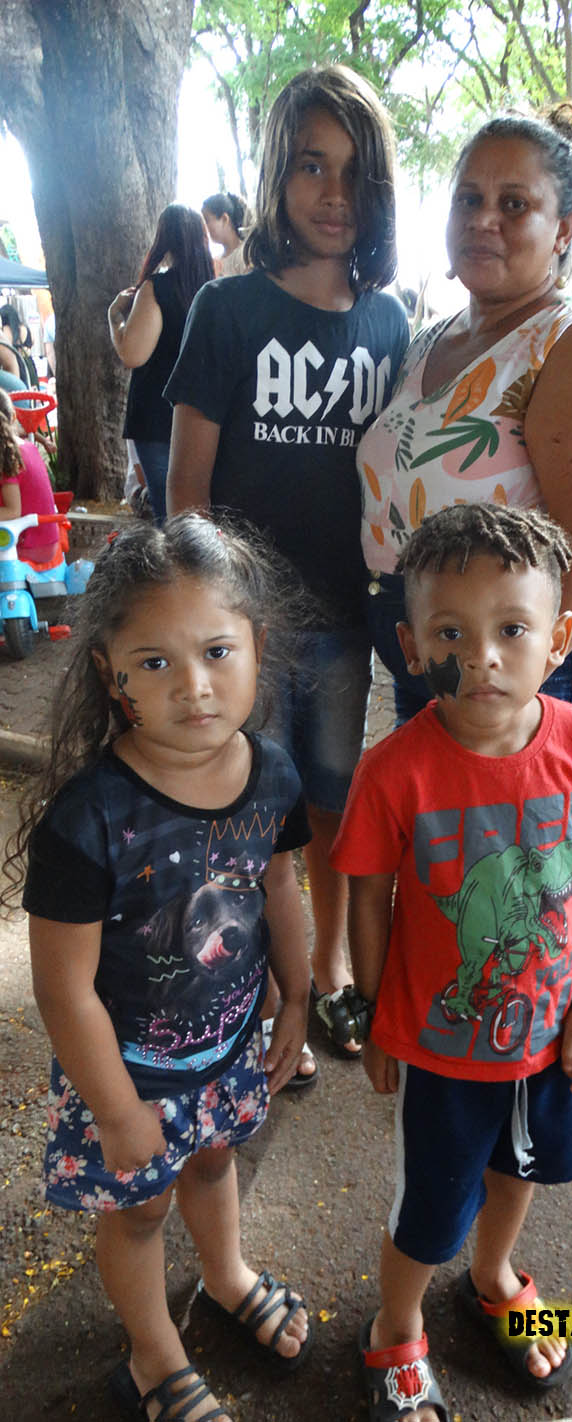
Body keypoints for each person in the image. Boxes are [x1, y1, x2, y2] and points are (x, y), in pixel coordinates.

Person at [1, 515, 313, 1420]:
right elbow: (63, 988)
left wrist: (298, 997)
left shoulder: (274, 775)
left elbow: (280, 888)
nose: (195, 686)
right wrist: (115, 1110)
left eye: (216, 651)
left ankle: (226, 1274)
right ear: (110, 675)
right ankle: (151, 1354)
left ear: (257, 644)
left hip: (228, 1051)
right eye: (154, 662)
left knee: (215, 1166)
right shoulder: (88, 820)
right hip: (128, 1078)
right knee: (139, 1212)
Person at [331, 504, 572, 1421]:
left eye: (512, 629)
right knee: (432, 1204)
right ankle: (395, 1324)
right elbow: (367, 899)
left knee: (520, 1172)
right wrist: (375, 1017)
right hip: (441, 1050)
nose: (484, 657)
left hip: (548, 1036)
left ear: (559, 639)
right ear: (411, 647)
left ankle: (494, 1275)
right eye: (451, 634)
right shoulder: (393, 771)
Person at [166, 65, 410, 1060]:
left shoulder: (389, 322)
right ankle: (270, 990)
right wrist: (214, 624)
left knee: (333, 807)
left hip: (345, 625)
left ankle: (333, 975)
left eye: (354, 172)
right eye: (312, 165)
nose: (333, 193)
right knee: (252, 812)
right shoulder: (224, 311)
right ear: (277, 174)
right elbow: (184, 491)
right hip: (246, 629)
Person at [356, 105, 572, 725]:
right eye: (469, 199)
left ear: (563, 230)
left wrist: (514, 682)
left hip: (513, 662)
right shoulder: (430, 339)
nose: (483, 219)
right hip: (435, 643)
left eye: (514, 204)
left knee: (503, 795)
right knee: (430, 791)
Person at [108, 204, 214, 524]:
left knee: (169, 518)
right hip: (206, 415)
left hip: (156, 416)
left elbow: (132, 353)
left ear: (164, 240)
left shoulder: (158, 288)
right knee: (203, 518)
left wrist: (115, 317)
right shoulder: (215, 290)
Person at [0, 388, 59, 562]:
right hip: (45, 541)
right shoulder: (26, 446)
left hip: (27, 544)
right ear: (13, 417)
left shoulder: (7, 456)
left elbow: (13, 511)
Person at [202, 191, 250, 277]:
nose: (204, 227)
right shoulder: (216, 260)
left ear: (224, 219)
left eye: (207, 220)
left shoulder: (246, 256)